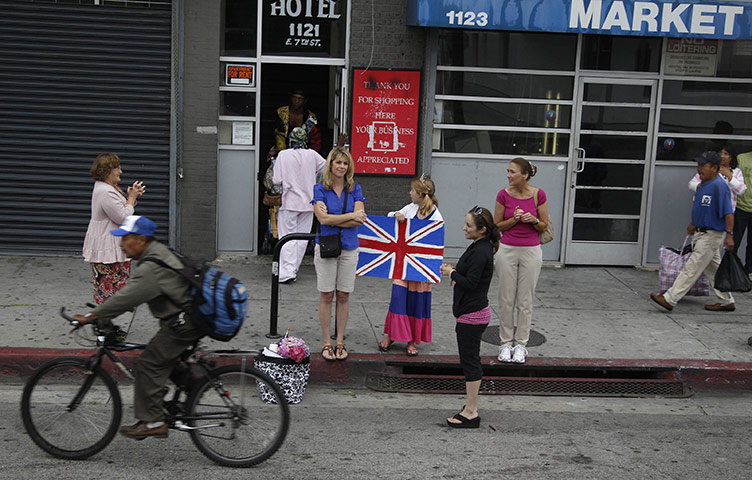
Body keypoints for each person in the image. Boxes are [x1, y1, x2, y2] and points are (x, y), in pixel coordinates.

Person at [73, 215, 204, 440]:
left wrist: (93, 316)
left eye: (125, 239)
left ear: (141, 239)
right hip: (189, 319)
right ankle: (195, 385)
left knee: (147, 364)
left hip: (182, 324)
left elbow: (126, 298)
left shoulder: (150, 268)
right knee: (162, 357)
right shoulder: (157, 252)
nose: (121, 244)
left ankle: (153, 422)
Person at [651, 151, 736, 312]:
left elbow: (728, 213)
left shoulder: (719, 186)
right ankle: (727, 300)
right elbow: (702, 209)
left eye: (703, 166)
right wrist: (693, 224)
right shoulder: (704, 184)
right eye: (698, 165)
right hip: (701, 232)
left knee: (692, 268)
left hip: (711, 235)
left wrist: (729, 235)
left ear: (715, 168)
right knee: (713, 270)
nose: (699, 169)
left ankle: (670, 298)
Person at [439, 206, 499, 429]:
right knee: (469, 359)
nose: (464, 228)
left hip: (472, 316)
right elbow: (472, 276)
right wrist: (455, 270)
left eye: (468, 225)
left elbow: (472, 284)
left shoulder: (481, 251)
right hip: (471, 313)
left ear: (482, 230)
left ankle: (472, 411)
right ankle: (469, 407)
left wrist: (451, 273)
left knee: (470, 361)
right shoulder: (479, 247)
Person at [313, 146, 367, 361]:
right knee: (327, 295)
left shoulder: (355, 189)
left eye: (345, 163)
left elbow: (360, 219)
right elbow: (323, 220)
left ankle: (340, 341)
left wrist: (339, 218)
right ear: (331, 165)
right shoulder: (320, 189)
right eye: (338, 163)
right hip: (326, 246)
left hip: (349, 247)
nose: (342, 167)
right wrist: (350, 216)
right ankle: (327, 342)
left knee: (344, 295)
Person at [379, 175, 442, 356]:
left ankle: (411, 340)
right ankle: (392, 335)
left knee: (416, 303)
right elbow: (390, 216)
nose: (410, 193)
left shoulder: (436, 215)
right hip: (403, 266)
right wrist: (397, 215)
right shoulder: (411, 208)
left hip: (420, 269)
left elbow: (436, 243)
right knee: (398, 299)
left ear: (421, 194)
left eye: (413, 190)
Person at [493, 157, 549, 364]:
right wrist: (514, 219)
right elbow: (497, 226)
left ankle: (521, 345)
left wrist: (533, 220)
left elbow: (544, 225)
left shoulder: (538, 194)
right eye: (507, 171)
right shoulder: (503, 195)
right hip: (507, 249)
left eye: (512, 172)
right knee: (506, 298)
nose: (508, 175)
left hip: (531, 250)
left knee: (525, 300)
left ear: (525, 175)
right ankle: (505, 343)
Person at [82, 153, 146, 304]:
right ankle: (103, 324)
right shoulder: (106, 192)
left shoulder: (108, 188)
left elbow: (120, 209)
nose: (120, 171)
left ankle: (105, 323)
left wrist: (131, 196)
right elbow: (123, 218)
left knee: (113, 291)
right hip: (108, 247)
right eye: (117, 168)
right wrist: (132, 198)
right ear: (107, 170)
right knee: (110, 293)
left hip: (111, 244)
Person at [273, 127, 327, 284]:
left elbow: (276, 180)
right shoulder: (312, 155)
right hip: (308, 203)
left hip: (289, 202)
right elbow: (326, 169)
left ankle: (287, 272)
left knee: (287, 237)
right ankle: (293, 269)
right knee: (302, 239)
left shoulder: (283, 155)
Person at [689, 144, 746, 210]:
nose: (722, 156)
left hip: (727, 210)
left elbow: (741, 190)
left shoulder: (736, 171)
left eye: (726, 154)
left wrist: (730, 176)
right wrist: (704, 186)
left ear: (731, 157)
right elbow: (691, 184)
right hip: (707, 209)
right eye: (720, 153)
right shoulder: (711, 169)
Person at [275, 88, 322, 153]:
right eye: (294, 98)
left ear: (305, 101)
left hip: (304, 153)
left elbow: (315, 143)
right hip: (282, 150)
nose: (296, 101)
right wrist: (283, 154)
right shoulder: (281, 113)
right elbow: (279, 135)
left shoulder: (311, 119)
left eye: (300, 99)